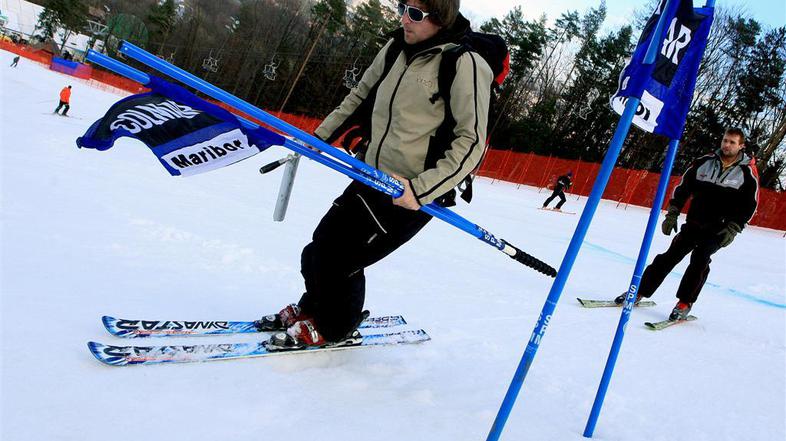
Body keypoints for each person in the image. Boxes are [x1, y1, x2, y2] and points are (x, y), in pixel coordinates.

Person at [258, 0, 492, 350]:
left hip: (410, 194)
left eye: (415, 13)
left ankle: (335, 327)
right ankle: (314, 309)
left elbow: (471, 141)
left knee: (343, 261)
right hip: (372, 176)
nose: (404, 19)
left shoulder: (463, 63)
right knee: (319, 248)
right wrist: (316, 139)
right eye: (403, 7)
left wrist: (421, 190)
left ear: (440, 19)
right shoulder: (396, 48)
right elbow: (359, 96)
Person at [614, 128, 758, 320]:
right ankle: (638, 292)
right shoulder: (704, 162)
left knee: (700, 260)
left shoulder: (747, 172)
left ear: (741, 146)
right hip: (694, 222)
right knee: (668, 257)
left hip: (718, 229)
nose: (726, 145)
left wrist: (733, 228)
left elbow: (750, 204)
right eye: (725, 140)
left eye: (732, 142)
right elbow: (683, 187)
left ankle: (684, 302)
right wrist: (673, 213)